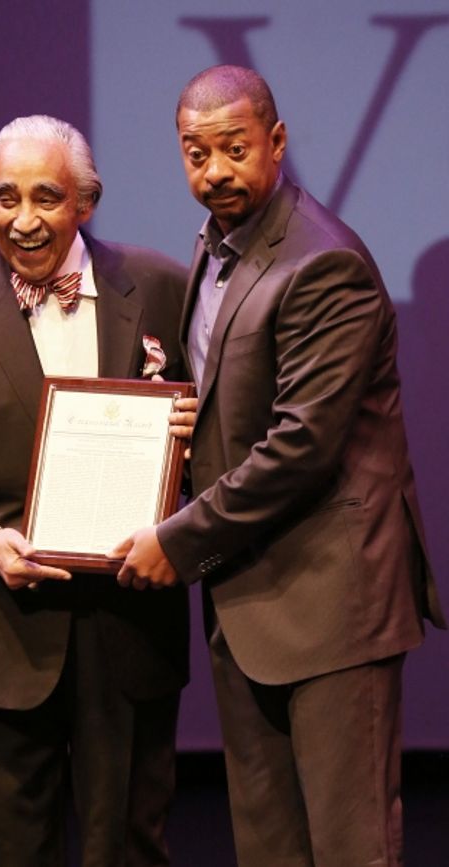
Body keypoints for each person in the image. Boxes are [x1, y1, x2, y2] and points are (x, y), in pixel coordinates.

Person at [110, 65, 446, 866]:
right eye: (196, 153)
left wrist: (179, 539)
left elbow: (301, 446)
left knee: (350, 845)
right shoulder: (219, 245)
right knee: (269, 845)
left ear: (278, 142)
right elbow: (232, 400)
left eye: (234, 149)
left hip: (332, 602)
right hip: (252, 596)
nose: (214, 171)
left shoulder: (323, 263)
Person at [0, 115, 195, 867]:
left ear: (87, 200)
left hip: (129, 632)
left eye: (46, 196)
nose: (23, 220)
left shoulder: (160, 288)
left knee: (130, 852)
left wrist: (185, 465)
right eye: (5, 198)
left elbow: (215, 440)